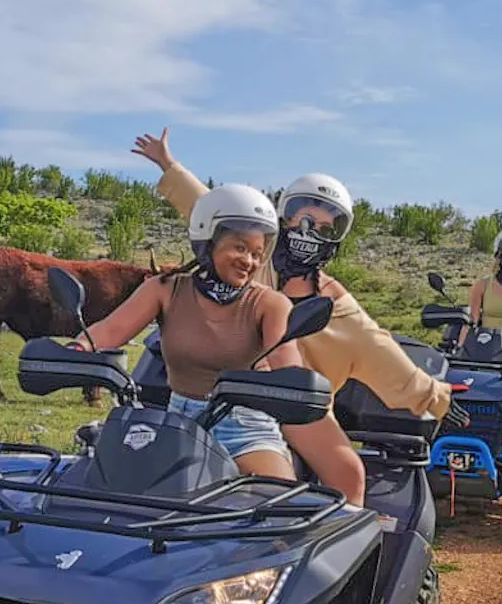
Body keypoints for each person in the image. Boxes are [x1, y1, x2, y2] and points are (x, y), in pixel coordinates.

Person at [135, 130, 458, 426]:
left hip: (292, 421)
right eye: (304, 220)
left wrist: (438, 399)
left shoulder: (337, 308)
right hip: (211, 403)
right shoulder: (253, 264)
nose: (309, 233)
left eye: (324, 228)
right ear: (284, 218)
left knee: (341, 476)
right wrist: (169, 164)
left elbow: (383, 355)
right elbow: (208, 206)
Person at [78, 184, 366, 504]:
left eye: (258, 254)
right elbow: (109, 330)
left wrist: (295, 383)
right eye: (239, 248)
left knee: (278, 507)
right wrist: (73, 351)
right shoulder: (165, 289)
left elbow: (285, 359)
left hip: (245, 425)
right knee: (127, 503)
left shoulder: (269, 304)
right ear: (208, 238)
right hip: (177, 422)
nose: (250, 261)